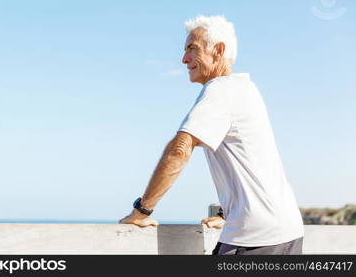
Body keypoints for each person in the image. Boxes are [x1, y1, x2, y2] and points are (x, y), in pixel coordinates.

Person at [119, 15, 304, 255]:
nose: (184, 59)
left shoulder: (220, 89)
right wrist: (227, 213)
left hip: (256, 239)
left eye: (192, 49)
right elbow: (251, 160)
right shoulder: (245, 88)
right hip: (285, 232)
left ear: (218, 50)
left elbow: (179, 149)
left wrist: (141, 211)